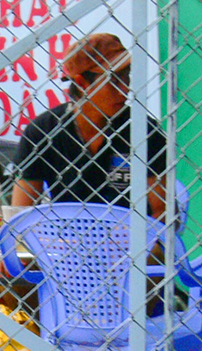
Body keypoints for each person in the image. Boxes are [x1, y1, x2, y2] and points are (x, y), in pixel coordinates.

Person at [13, 31, 168, 217]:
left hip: (133, 240)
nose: (125, 88)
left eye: (127, 77)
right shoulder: (42, 131)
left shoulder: (144, 130)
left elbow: (163, 213)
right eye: (114, 80)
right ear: (82, 83)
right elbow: (20, 212)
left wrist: (151, 246)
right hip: (66, 240)